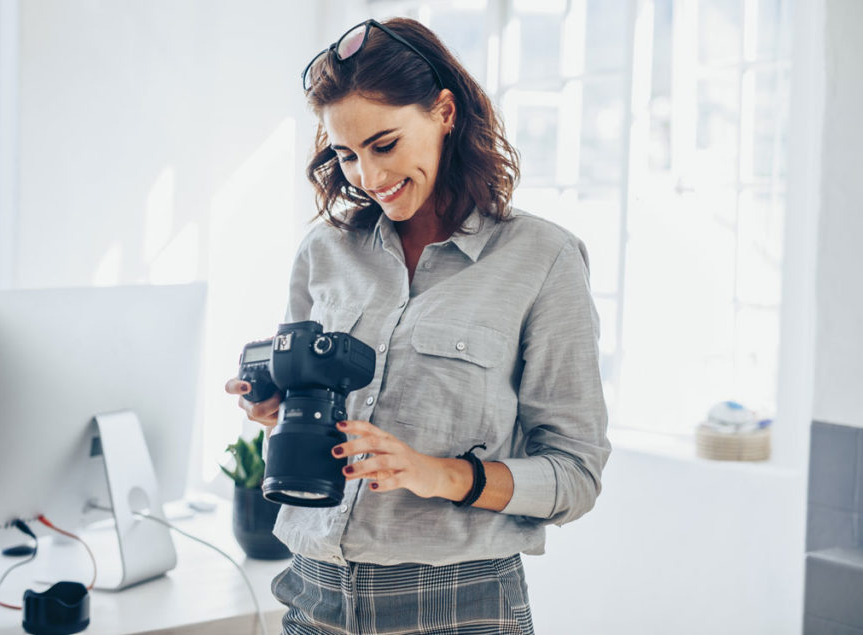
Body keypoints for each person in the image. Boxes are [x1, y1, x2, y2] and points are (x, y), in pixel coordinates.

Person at [225, 17, 610, 634]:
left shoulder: (543, 259)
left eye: (384, 144)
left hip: (459, 602)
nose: (369, 178)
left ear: (444, 112)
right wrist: (277, 405)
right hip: (312, 591)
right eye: (345, 154)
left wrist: (435, 473)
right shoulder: (324, 251)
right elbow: (308, 400)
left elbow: (576, 475)